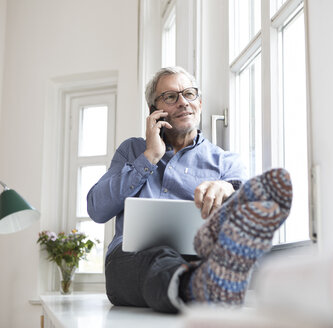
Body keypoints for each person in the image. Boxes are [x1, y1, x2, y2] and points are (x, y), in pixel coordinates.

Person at [87, 66, 293, 313]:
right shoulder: (132, 151)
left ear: (200, 103)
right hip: (132, 260)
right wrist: (150, 156)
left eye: (189, 94)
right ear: (155, 111)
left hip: (199, 258)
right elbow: (97, 209)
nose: (183, 102)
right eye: (171, 97)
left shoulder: (226, 162)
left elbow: (245, 207)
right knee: (160, 258)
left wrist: (228, 188)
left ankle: (196, 286)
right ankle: (198, 288)